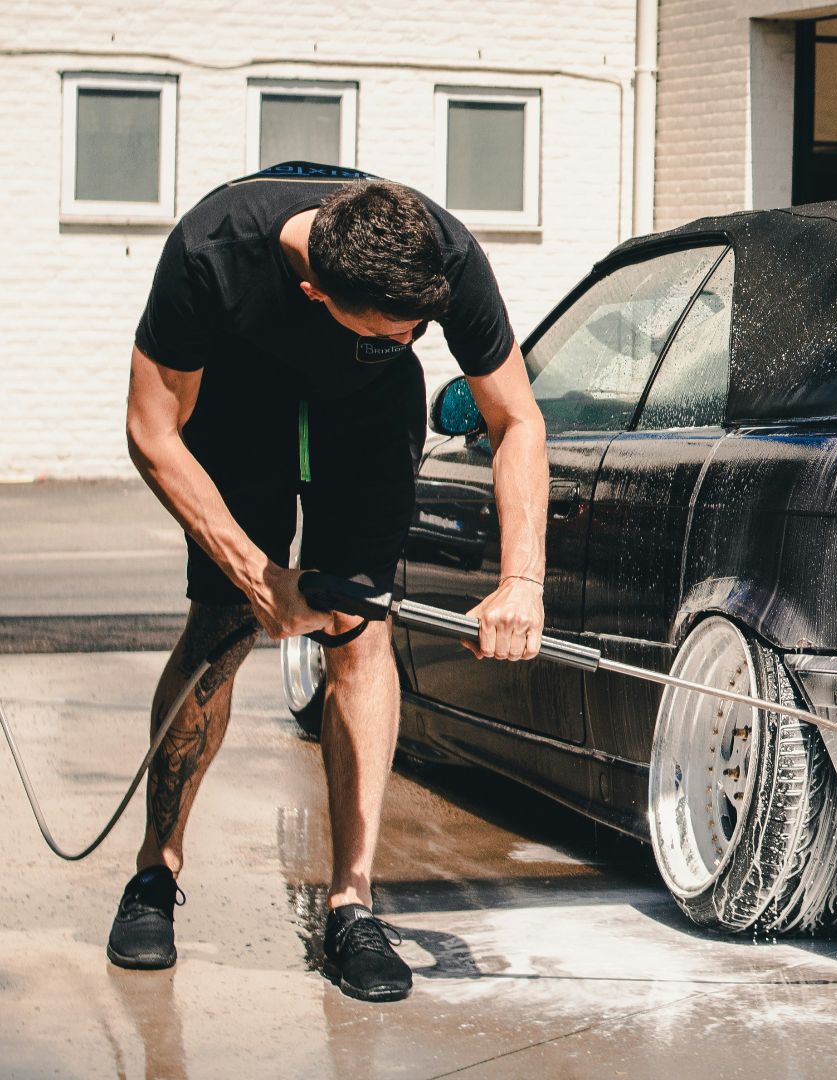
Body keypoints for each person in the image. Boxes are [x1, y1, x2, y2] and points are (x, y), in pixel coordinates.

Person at [110, 162, 548, 1003]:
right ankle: (155, 875)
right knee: (218, 629)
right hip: (240, 406)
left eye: (420, 328)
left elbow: (516, 418)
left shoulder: (442, 254)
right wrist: (257, 574)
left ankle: (351, 903)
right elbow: (151, 427)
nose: (413, 338)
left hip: (365, 419)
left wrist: (520, 579)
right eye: (394, 330)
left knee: (361, 635)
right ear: (317, 294)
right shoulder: (212, 251)